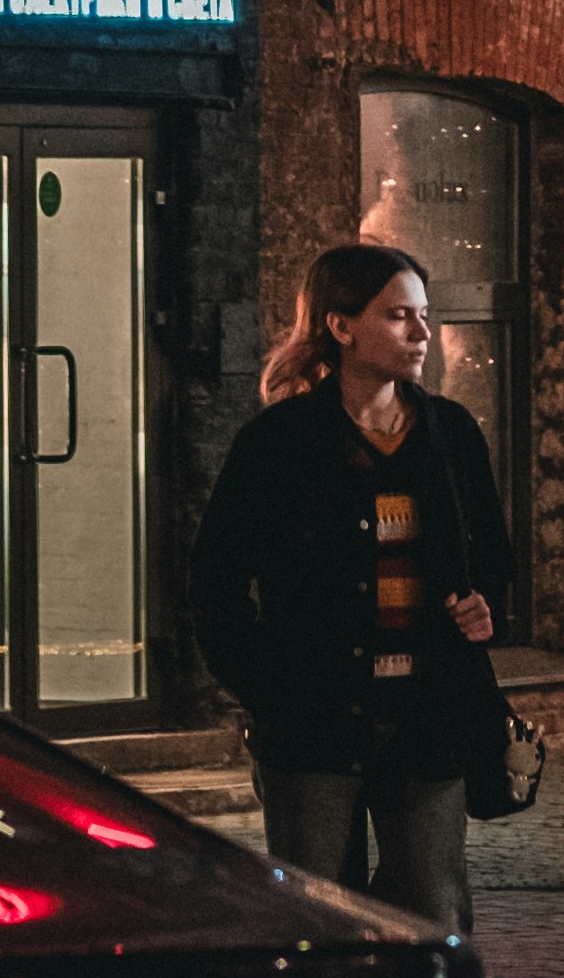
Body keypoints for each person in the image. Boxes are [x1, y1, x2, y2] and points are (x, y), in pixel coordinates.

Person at [194, 237, 511, 930]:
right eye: (399, 316)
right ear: (340, 326)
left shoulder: (449, 434)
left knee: (432, 908)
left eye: (424, 315)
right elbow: (215, 582)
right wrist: (269, 688)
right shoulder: (280, 443)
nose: (421, 332)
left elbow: (492, 558)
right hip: (314, 721)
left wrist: (487, 608)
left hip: (429, 716)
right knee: (317, 913)